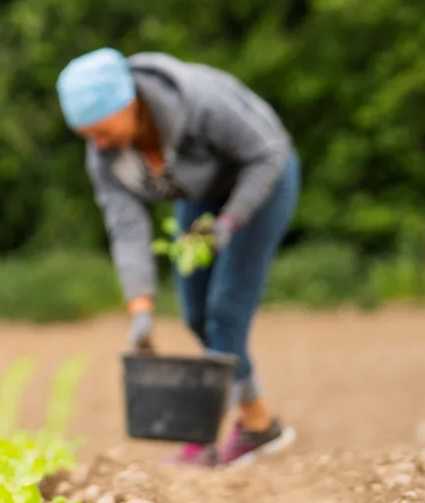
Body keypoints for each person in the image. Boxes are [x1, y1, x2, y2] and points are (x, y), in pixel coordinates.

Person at [57, 47, 299, 468]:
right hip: (202, 196)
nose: (97, 144)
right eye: (87, 137)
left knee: (226, 313)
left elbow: (268, 154)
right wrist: (141, 311)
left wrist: (230, 221)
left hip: (262, 182)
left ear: (128, 104)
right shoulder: (106, 155)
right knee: (196, 314)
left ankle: (202, 437)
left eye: (100, 131)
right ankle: (260, 425)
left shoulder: (199, 101)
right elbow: (127, 228)